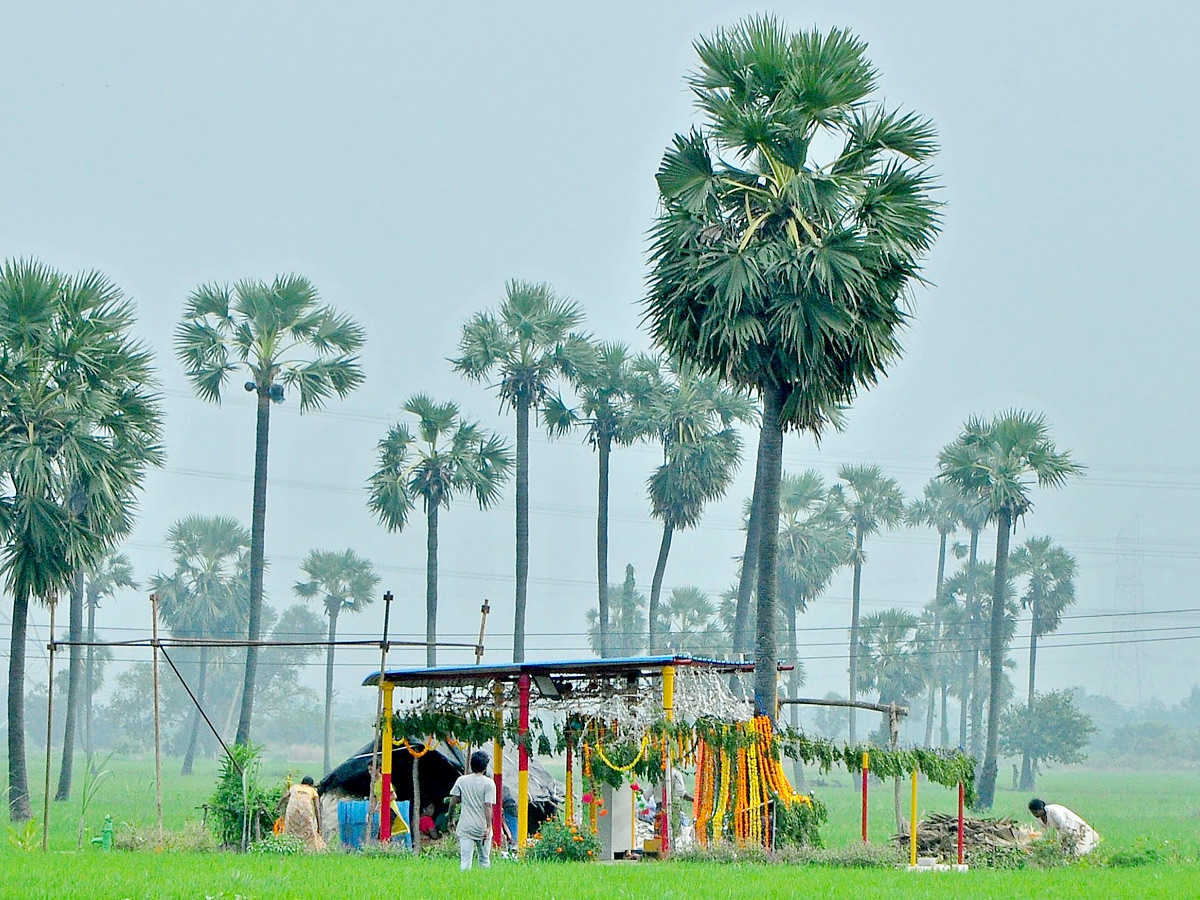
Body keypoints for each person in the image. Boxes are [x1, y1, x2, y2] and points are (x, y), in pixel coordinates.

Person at [448, 750, 495, 870]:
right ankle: (484, 885)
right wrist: (489, 826)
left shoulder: (461, 780)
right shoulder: (489, 783)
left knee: (465, 860)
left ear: (471, 765)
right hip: (482, 827)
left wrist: (450, 819)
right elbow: (488, 805)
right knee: (484, 860)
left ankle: (464, 886)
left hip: (465, 826)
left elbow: (453, 801)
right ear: (485, 766)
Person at [1028, 798, 1100, 856]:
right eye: (1033, 813)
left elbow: (1063, 825)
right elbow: (1043, 831)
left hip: (1074, 826)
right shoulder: (1038, 818)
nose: (1034, 814)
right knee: (1067, 852)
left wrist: (1062, 840)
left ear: (1041, 808)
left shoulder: (1053, 811)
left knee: (1080, 848)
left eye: (1036, 812)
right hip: (1064, 831)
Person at [277, 776, 326, 851]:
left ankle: (289, 848)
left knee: (290, 831)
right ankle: (312, 850)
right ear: (311, 784)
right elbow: (317, 808)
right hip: (305, 811)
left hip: (291, 811)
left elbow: (284, 797)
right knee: (309, 833)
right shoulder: (313, 790)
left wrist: (278, 807)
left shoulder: (295, 787)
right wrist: (319, 827)